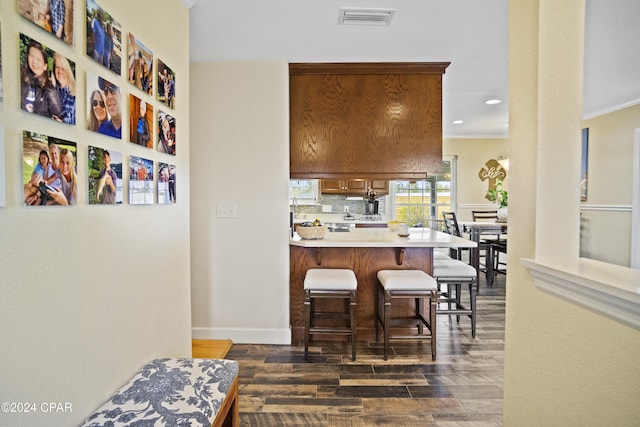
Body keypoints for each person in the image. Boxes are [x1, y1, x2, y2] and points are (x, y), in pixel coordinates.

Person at [20, 39, 63, 120]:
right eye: (32, 56)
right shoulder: (21, 80)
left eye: (39, 59)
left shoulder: (50, 91)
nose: (34, 61)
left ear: (45, 66)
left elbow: (59, 118)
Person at [52, 52, 76, 125]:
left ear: (67, 70)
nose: (59, 71)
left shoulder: (75, 95)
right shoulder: (49, 92)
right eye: (57, 67)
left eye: (63, 68)